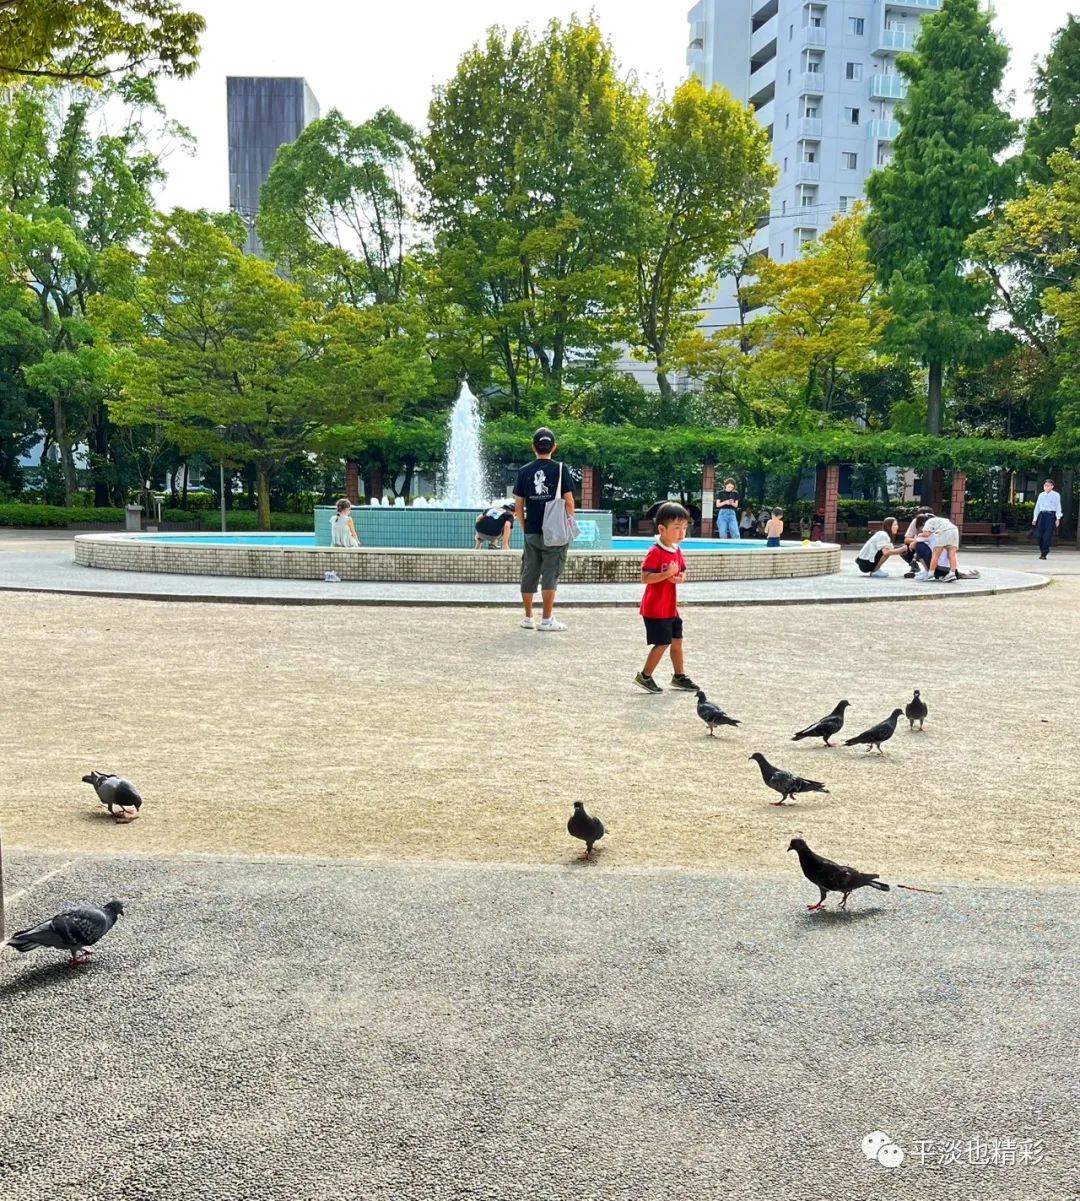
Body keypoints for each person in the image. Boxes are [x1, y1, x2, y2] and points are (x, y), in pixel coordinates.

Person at [514, 427, 577, 631]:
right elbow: (569, 501)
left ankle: (528, 617)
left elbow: (518, 506)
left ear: (533, 447)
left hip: (532, 529)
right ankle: (547, 620)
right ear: (554, 447)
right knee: (550, 573)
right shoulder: (560, 469)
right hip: (555, 532)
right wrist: (569, 523)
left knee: (529, 572)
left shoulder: (523, 471)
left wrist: (525, 528)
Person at [634, 502, 698, 694]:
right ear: (662, 529)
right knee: (662, 643)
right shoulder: (656, 551)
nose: (681, 533)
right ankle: (644, 676)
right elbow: (645, 577)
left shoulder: (676, 550)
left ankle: (679, 676)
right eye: (677, 528)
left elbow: (683, 571)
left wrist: (679, 578)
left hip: (670, 608)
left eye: (685, 528)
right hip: (656, 608)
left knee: (677, 641)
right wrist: (665, 574)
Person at [919, 514, 961, 582]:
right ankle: (952, 573)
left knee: (936, 554)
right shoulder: (942, 520)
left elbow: (926, 534)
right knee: (952, 554)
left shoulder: (928, 521)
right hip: (954, 530)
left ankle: (930, 575)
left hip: (944, 531)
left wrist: (918, 535)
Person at [1032, 479, 1062, 560]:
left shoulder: (1056, 495)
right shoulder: (1041, 495)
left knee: (1047, 535)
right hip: (1042, 515)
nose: (1046, 487)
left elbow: (1058, 507)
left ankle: (1044, 553)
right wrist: (1035, 518)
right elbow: (1037, 507)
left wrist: (1058, 518)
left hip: (1051, 516)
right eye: (1045, 486)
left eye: (1048, 486)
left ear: (1052, 486)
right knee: (1039, 535)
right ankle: (1043, 550)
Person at [901, 508, 933, 577]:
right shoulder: (916, 521)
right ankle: (915, 567)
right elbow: (906, 539)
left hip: (933, 550)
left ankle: (929, 570)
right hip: (920, 547)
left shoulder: (935, 523)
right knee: (904, 549)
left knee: (921, 547)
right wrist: (916, 541)